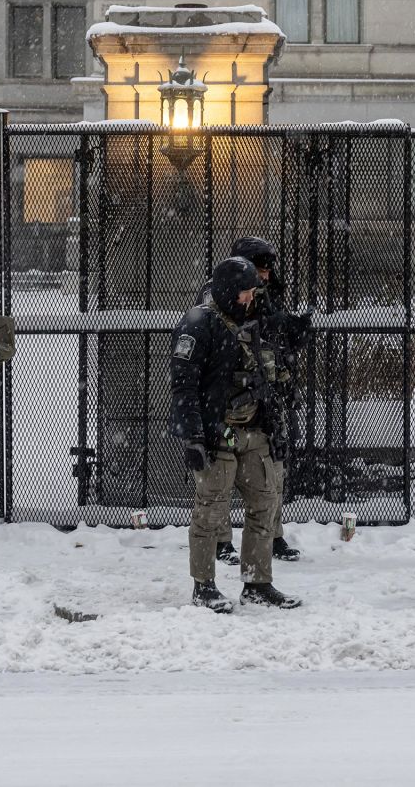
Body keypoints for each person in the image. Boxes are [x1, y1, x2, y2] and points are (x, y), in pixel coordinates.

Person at [171, 256, 302, 613]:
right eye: (245, 292)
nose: (250, 298)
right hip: (218, 434)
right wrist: (194, 437)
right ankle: (204, 586)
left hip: (255, 429)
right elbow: (184, 387)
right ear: (229, 291)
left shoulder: (253, 319)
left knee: (265, 504)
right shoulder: (199, 324)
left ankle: (257, 583)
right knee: (210, 513)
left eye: (252, 292)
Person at [195, 237, 308, 565]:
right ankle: (220, 541)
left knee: (271, 469)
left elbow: (273, 337)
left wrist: (291, 339)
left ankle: (271, 534)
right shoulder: (219, 292)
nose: (267, 277)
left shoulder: (263, 292)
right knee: (220, 476)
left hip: (263, 392)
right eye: (260, 270)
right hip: (228, 399)